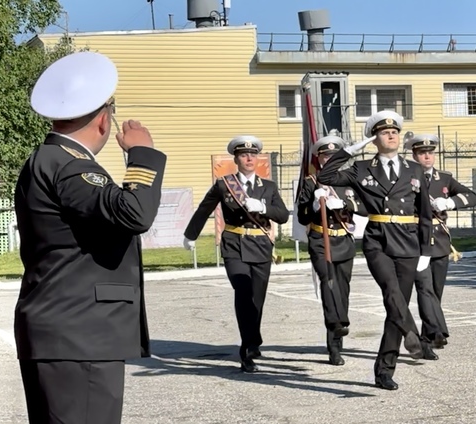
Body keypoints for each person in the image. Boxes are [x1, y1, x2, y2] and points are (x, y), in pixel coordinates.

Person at [14, 51, 166, 424]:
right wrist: (143, 154)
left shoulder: (49, 160)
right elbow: (133, 213)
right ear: (105, 116)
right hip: (78, 336)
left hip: (67, 331)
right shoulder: (69, 163)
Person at [315, 110, 431, 390]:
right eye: (383, 132)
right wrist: (349, 151)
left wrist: (426, 249)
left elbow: (425, 211)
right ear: (374, 139)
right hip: (378, 240)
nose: (391, 135)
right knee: (391, 292)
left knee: (397, 305)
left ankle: (384, 370)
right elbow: (327, 175)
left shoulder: (414, 169)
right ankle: (411, 333)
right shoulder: (362, 169)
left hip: (408, 241)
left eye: (395, 132)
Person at [184, 135, 290, 373]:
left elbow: (283, 216)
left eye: (253, 155)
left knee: (257, 298)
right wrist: (191, 235)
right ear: (236, 159)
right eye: (243, 155)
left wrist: (263, 207)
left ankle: (253, 340)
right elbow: (204, 209)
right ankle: (246, 348)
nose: (249, 158)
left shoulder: (269, 187)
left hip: (261, 245)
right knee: (243, 292)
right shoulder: (225, 185)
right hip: (234, 245)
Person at [296, 131, 365, 365]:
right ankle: (335, 331)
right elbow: (303, 217)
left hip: (343, 239)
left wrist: (344, 203)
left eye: (334, 156)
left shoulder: (348, 179)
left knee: (342, 289)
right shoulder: (310, 183)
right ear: (319, 159)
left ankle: (337, 338)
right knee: (328, 283)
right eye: (325, 157)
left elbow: (364, 206)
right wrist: (315, 205)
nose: (329, 160)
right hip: (320, 239)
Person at [407, 133, 476, 350]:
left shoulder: (444, 178)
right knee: (424, 287)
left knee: (436, 290)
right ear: (414, 155)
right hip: (416, 238)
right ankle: (438, 331)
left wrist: (450, 202)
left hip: (439, 240)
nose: (427, 157)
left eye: (430, 153)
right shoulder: (405, 177)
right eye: (422, 153)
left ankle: (428, 334)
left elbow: (472, 196)